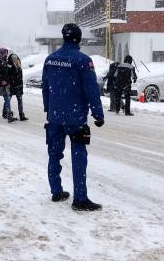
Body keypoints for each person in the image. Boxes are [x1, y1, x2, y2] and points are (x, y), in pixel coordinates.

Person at [42, 23, 105, 212]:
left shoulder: (50, 60)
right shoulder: (83, 61)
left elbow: (45, 87)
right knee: (78, 156)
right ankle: (80, 198)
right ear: (78, 39)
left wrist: (49, 108)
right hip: (75, 117)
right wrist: (98, 113)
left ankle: (56, 190)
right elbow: (91, 89)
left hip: (54, 117)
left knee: (54, 154)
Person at [8, 54, 28, 121]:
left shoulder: (19, 66)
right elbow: (8, 76)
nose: (15, 59)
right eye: (13, 58)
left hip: (18, 87)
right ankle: (7, 113)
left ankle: (21, 115)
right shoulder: (10, 66)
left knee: (20, 100)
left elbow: (20, 78)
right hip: (11, 86)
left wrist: (21, 86)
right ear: (11, 59)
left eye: (16, 58)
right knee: (8, 100)